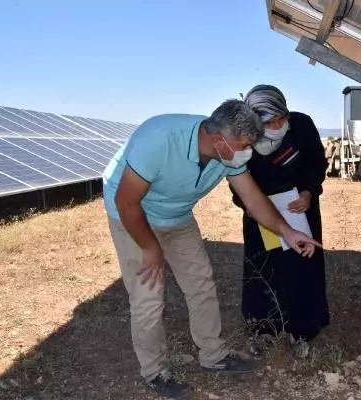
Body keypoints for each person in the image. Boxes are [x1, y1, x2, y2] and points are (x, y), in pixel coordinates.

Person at [102, 99, 321, 399]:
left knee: (201, 283)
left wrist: (288, 231)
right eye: (243, 145)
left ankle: (213, 356)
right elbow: (126, 202)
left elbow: (254, 201)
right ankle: (155, 372)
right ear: (218, 140)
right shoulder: (158, 139)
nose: (248, 152)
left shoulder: (227, 154)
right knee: (148, 297)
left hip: (177, 216)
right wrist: (150, 248)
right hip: (133, 213)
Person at [230, 85, 330, 357]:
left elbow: (317, 164)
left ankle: (303, 330)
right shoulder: (243, 139)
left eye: (281, 119)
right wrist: (250, 207)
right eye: (269, 122)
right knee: (263, 269)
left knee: (302, 266)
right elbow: (237, 184)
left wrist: (309, 192)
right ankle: (263, 328)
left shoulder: (301, 126)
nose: (277, 126)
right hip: (260, 216)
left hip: (300, 211)